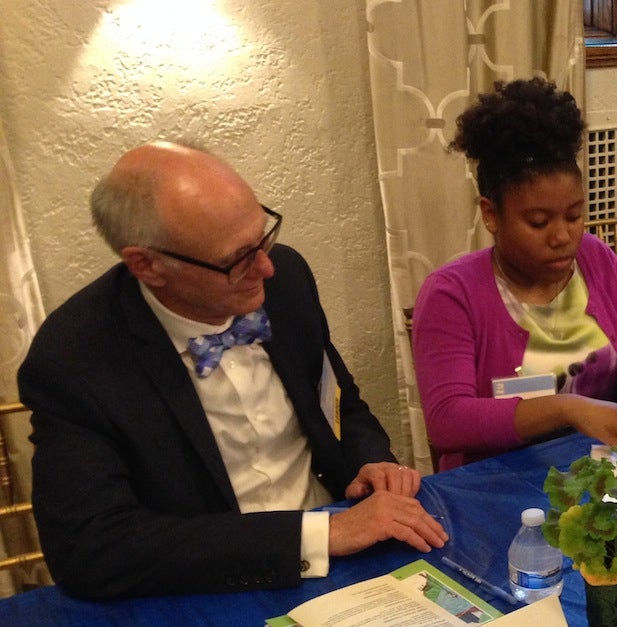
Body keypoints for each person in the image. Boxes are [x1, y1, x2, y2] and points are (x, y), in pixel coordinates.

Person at [18, 142, 448, 600]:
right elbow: (92, 550)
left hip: (348, 552)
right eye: (236, 259)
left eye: (264, 236)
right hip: (216, 584)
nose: (265, 266)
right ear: (147, 265)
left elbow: (340, 399)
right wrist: (322, 535)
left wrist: (370, 459)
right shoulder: (74, 359)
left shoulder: (286, 278)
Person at [414, 78, 617, 471]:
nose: (563, 236)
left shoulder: (596, 258)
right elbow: (448, 421)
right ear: (491, 214)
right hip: (501, 485)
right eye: (539, 222)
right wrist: (568, 408)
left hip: (612, 475)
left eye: (574, 215)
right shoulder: (452, 294)